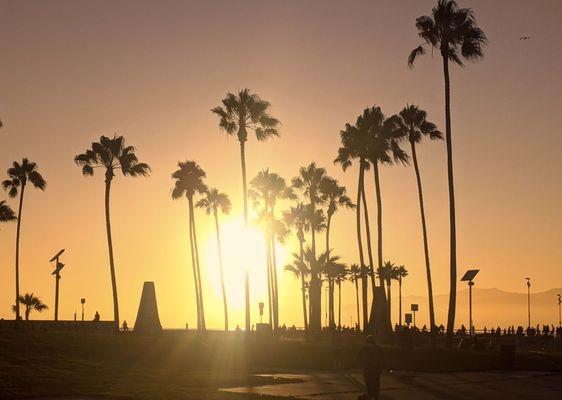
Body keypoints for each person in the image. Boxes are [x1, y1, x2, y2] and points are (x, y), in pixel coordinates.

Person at [357, 335, 384, 400]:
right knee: (375, 383)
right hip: (374, 370)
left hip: (368, 370)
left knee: (369, 383)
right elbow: (382, 359)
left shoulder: (364, 349)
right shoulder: (378, 349)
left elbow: (359, 358)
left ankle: (371, 395)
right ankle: (374, 395)